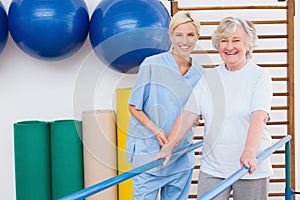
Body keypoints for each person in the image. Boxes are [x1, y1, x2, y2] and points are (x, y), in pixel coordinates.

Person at [155, 16, 273, 200]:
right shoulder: (209, 78)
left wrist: (249, 152)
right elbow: (187, 116)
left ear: (248, 44)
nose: (229, 46)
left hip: (250, 168)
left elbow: (259, 118)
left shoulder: (259, 77)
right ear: (218, 45)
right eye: (224, 41)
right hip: (213, 168)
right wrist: (168, 147)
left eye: (236, 40)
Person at [126, 11, 203, 199]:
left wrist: (196, 119)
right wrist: (157, 131)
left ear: (197, 37)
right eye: (179, 34)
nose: (184, 41)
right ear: (170, 36)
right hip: (149, 155)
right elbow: (134, 106)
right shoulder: (151, 64)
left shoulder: (200, 73)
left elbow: (192, 110)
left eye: (190, 35)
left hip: (181, 156)